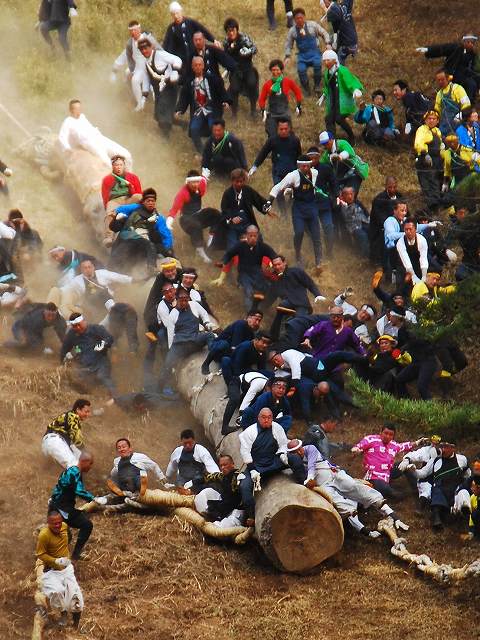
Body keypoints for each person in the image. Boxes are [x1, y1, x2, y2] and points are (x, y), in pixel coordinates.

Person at [291, 439, 408, 535]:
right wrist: (367, 532)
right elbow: (349, 512)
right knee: (339, 502)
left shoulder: (310, 448)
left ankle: (392, 514)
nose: (300, 453)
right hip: (325, 485)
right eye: (296, 452)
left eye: (299, 449)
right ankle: (366, 530)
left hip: (335, 475)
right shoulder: (297, 462)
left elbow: (311, 466)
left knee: (354, 487)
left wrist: (394, 517)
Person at [239, 408, 305, 523]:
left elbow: (283, 444)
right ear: (258, 418)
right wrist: (252, 469)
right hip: (257, 467)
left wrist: (282, 454)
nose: (266, 420)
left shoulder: (277, 428)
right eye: (264, 417)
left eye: (269, 417)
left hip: (274, 461)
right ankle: (252, 517)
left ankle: (303, 483)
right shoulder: (249, 432)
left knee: (295, 459)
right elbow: (245, 452)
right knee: (244, 486)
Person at [157, 288, 215, 397]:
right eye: (181, 300)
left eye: (186, 299)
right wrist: (171, 352)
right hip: (180, 345)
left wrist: (207, 323)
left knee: (210, 336)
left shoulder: (194, 305)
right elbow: (170, 335)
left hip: (195, 340)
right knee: (167, 365)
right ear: (177, 299)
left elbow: (203, 313)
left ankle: (214, 354)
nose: (184, 302)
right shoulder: (173, 314)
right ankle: (161, 388)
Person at [268, 155, 322, 270]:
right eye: (303, 166)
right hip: (298, 208)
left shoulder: (315, 173)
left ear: (310, 165)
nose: (305, 168)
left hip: (311, 206)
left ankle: (319, 263)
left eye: (307, 166)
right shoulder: (292, 176)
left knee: (316, 235)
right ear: (298, 166)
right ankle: (298, 255)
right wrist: (269, 201)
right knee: (299, 232)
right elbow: (277, 187)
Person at [48, 452, 105, 560]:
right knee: (86, 525)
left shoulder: (71, 470)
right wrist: (94, 499)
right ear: (84, 461)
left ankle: (60, 555)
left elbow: (59, 488)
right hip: (61, 509)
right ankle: (73, 556)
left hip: (57, 506)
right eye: (90, 463)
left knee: (67, 534)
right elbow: (79, 491)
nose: (91, 467)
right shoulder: (75, 472)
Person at [36, 512, 83, 628]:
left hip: (67, 570)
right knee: (57, 592)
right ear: (48, 523)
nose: (57, 525)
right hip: (52, 571)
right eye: (54, 524)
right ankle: (63, 614)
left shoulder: (64, 527)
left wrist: (66, 555)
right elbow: (40, 554)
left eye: (59, 522)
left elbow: (67, 539)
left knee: (76, 597)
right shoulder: (44, 535)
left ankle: (75, 625)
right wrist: (55, 560)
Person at [110, 188, 174, 274]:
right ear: (143, 202)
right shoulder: (133, 209)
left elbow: (165, 234)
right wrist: (116, 216)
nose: (150, 203)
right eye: (148, 201)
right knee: (115, 259)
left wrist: (167, 248)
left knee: (155, 246)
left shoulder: (158, 217)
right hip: (126, 239)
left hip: (143, 244)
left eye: (152, 201)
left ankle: (152, 268)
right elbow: (120, 210)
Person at [352, 424, 424, 500]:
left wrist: (417, 442)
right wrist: (356, 450)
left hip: (388, 472)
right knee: (388, 491)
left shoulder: (393, 444)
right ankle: (401, 496)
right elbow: (358, 446)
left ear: (393, 436)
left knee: (407, 464)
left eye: (391, 435)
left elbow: (404, 446)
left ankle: (418, 491)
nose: (387, 436)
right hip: (373, 477)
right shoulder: (371, 439)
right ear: (381, 432)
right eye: (385, 433)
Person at [214, 225, 277, 311]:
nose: (253, 238)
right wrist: (223, 261)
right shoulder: (240, 246)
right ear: (247, 235)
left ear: (257, 236)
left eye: (255, 236)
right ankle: (250, 313)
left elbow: (273, 255)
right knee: (248, 292)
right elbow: (229, 254)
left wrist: (275, 262)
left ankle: (262, 307)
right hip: (244, 274)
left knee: (267, 288)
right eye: (250, 236)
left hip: (258, 274)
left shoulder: (263, 247)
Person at [175, 57, 231, 153]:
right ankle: (202, 151)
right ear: (192, 67)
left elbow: (221, 91)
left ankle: (218, 149)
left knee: (214, 128)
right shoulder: (189, 82)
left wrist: (226, 101)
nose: (198, 67)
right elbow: (184, 97)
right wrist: (179, 109)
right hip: (198, 111)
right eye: (195, 65)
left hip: (211, 110)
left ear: (203, 66)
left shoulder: (212, 79)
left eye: (199, 65)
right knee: (193, 129)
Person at [58, 99, 132, 170]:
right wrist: (68, 149)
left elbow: (90, 128)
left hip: (100, 138)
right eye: (76, 109)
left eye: (80, 108)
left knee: (126, 155)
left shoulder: (82, 117)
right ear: (71, 110)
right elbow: (62, 137)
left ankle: (129, 175)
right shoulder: (68, 121)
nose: (79, 110)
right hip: (90, 144)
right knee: (107, 163)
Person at [249, 119, 302, 217]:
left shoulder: (295, 140)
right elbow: (263, 153)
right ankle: (284, 214)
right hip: (278, 172)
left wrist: (301, 170)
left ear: (289, 129)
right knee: (279, 191)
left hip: (292, 171)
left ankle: (291, 209)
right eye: (281, 129)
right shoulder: (272, 140)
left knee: (295, 192)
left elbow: (299, 156)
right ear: (277, 129)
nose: (284, 131)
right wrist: (255, 166)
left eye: (285, 129)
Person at [415, 440, 470, 530]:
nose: (443, 450)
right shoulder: (435, 460)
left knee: (463, 493)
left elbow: (468, 475)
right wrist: (413, 470)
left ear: (453, 448)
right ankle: (436, 519)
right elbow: (423, 473)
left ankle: (464, 522)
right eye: (442, 446)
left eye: (446, 447)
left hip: (455, 490)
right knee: (436, 489)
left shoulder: (462, 459)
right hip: (440, 490)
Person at [268, 255, 326, 339]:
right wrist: (258, 308)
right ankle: (273, 337)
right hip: (286, 305)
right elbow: (270, 298)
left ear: (284, 263)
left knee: (300, 323)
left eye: (279, 264)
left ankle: (304, 340)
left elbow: (309, 283)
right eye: (275, 265)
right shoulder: (275, 280)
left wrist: (317, 294)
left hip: (301, 304)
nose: (277, 267)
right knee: (280, 312)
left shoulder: (295, 271)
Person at [166, 171, 218, 263]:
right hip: (186, 219)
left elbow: (203, 180)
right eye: (193, 182)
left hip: (198, 214)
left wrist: (204, 176)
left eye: (197, 182)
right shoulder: (183, 193)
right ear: (188, 182)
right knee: (196, 225)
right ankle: (199, 250)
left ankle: (212, 238)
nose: (195, 184)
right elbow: (174, 208)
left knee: (216, 214)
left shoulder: (201, 185)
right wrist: (170, 219)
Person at [59, 258, 133, 321]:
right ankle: (114, 312)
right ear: (81, 270)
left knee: (104, 293)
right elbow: (66, 289)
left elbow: (117, 277)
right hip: (92, 306)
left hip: (108, 299)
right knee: (101, 293)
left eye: (89, 267)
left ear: (93, 267)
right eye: (85, 268)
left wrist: (132, 280)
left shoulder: (102, 273)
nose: (88, 269)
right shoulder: (77, 281)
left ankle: (114, 311)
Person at [110, 20, 161, 112]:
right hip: (139, 68)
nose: (133, 32)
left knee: (155, 86)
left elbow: (160, 50)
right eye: (131, 31)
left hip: (152, 66)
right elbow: (123, 56)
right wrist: (114, 71)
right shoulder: (130, 43)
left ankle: (158, 104)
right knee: (134, 79)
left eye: (135, 30)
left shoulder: (148, 39)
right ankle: (139, 104)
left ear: (139, 29)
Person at [60, 313, 116, 396]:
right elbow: (64, 349)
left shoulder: (96, 329)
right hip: (84, 366)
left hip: (100, 362)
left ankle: (115, 397)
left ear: (84, 321)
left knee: (102, 377)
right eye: (74, 326)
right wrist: (63, 360)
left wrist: (104, 343)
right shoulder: (71, 334)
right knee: (76, 379)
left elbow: (110, 338)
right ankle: (89, 396)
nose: (78, 328)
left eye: (79, 325)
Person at [137, 38, 183, 137]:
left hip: (169, 88)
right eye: (141, 49)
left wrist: (175, 72)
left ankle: (166, 138)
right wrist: (144, 97)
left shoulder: (160, 55)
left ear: (151, 47)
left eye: (146, 48)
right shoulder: (144, 62)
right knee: (158, 116)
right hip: (158, 91)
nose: (144, 51)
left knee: (163, 115)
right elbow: (146, 79)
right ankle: (184, 125)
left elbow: (177, 59)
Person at [416, 35, 480, 102]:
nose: (470, 44)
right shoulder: (456, 48)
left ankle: (470, 100)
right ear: (464, 42)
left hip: (464, 74)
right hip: (452, 74)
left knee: (475, 80)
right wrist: (428, 50)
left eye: (472, 43)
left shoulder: (472, 54)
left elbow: (472, 69)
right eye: (468, 42)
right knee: (471, 83)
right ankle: (467, 102)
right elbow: (442, 48)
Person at [220, 169, 273, 249]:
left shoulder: (248, 190)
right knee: (232, 246)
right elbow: (224, 209)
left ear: (244, 181)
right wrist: (231, 218)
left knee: (257, 239)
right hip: (233, 226)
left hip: (247, 223)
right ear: (232, 181)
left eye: (241, 181)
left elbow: (258, 200)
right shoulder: (227, 193)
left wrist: (266, 209)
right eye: (237, 181)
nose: (239, 184)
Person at [284, 7, 330, 96]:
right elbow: (288, 44)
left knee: (317, 65)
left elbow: (324, 33)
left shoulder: (312, 25)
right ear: (294, 20)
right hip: (302, 55)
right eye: (297, 18)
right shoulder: (292, 31)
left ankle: (317, 86)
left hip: (315, 53)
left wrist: (327, 43)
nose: (299, 20)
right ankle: (306, 88)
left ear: (304, 17)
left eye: (301, 18)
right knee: (301, 70)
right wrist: (287, 56)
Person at [201, 310, 263, 375]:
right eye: (256, 319)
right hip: (218, 347)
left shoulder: (251, 333)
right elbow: (235, 346)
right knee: (224, 344)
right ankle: (206, 364)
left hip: (227, 353)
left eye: (259, 321)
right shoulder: (241, 324)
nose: (257, 323)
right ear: (249, 317)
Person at [321, 49, 363, 144]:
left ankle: (351, 136)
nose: (326, 62)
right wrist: (324, 94)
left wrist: (355, 89)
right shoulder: (327, 73)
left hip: (342, 100)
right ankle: (332, 140)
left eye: (328, 60)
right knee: (329, 118)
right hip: (333, 99)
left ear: (334, 60)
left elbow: (350, 81)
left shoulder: (343, 71)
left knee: (339, 118)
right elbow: (327, 86)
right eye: (324, 60)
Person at [101, 156, 142, 248]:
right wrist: (107, 207)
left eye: (120, 165)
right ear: (113, 166)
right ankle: (109, 236)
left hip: (128, 198)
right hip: (115, 200)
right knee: (110, 212)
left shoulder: (133, 177)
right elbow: (105, 196)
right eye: (116, 165)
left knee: (139, 197)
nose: (118, 167)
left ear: (124, 166)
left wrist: (130, 187)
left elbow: (139, 192)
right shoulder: (107, 179)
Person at [193, 455, 244, 528]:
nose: (223, 467)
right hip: (223, 504)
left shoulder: (239, 477)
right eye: (221, 466)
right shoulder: (222, 476)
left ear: (232, 464)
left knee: (223, 527)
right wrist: (192, 482)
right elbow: (207, 478)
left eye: (225, 465)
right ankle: (209, 517)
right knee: (204, 493)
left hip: (236, 510)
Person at [223, 18, 259, 118]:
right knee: (234, 88)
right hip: (235, 70)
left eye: (233, 30)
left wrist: (248, 51)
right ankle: (234, 113)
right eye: (228, 31)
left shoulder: (244, 38)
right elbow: (225, 57)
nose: (231, 33)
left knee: (252, 84)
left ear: (236, 30)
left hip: (247, 68)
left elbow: (255, 49)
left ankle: (253, 110)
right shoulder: (226, 42)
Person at [163, 2, 215, 70]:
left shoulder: (190, 22)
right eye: (173, 14)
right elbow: (167, 45)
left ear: (181, 12)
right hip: (182, 61)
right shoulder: (171, 29)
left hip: (195, 56)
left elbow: (202, 30)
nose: (176, 16)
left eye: (177, 13)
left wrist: (213, 40)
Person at [258, 59, 302, 138]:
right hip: (272, 114)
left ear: (281, 70)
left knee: (288, 135)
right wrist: (263, 110)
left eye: (277, 70)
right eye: (273, 70)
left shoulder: (287, 82)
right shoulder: (267, 84)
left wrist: (298, 105)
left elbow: (297, 92)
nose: (275, 72)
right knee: (272, 135)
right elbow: (262, 99)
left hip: (284, 113)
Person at [41, 399, 91, 469]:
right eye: (86, 411)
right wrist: (84, 451)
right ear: (78, 410)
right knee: (74, 466)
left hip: (50, 443)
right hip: (55, 441)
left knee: (80, 463)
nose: (88, 414)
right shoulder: (73, 417)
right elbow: (76, 439)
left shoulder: (69, 416)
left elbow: (73, 443)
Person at [414, 110, 448, 212]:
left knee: (437, 182)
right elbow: (418, 143)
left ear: (437, 121)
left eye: (434, 119)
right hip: (425, 160)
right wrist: (425, 154)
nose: (431, 120)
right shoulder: (422, 130)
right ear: (425, 120)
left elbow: (441, 146)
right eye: (429, 118)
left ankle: (439, 204)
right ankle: (432, 206)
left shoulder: (437, 131)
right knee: (429, 184)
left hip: (437, 161)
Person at [318, 130, 368, 194]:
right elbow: (320, 164)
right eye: (323, 144)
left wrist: (340, 157)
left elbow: (349, 152)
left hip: (354, 173)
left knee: (350, 193)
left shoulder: (342, 143)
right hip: (341, 176)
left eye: (326, 143)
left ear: (332, 139)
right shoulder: (326, 154)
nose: (325, 145)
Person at [369, 177, 404, 266]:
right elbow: (379, 217)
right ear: (386, 187)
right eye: (390, 187)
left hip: (399, 224)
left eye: (394, 187)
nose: (392, 189)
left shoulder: (400, 196)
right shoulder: (379, 199)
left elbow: (406, 212)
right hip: (381, 227)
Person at [433, 69, 471, 135]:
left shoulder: (457, 88)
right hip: (444, 126)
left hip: (458, 124)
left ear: (448, 78)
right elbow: (437, 111)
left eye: (442, 79)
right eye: (438, 80)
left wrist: (458, 118)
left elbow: (467, 105)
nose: (440, 82)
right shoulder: (439, 94)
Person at [337, 186, 369, 257]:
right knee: (363, 236)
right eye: (347, 194)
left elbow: (366, 213)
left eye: (351, 194)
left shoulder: (358, 203)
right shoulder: (341, 206)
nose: (350, 196)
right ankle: (365, 257)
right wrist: (341, 201)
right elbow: (343, 219)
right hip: (354, 227)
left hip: (365, 222)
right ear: (343, 196)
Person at [322, 0, 358, 64]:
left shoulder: (332, 12)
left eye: (324, 2)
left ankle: (339, 68)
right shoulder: (344, 6)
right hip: (353, 42)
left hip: (346, 44)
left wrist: (330, 44)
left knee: (336, 63)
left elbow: (333, 32)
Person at [395, 217, 430, 284]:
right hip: (403, 266)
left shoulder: (422, 240)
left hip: (417, 264)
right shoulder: (400, 243)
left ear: (415, 229)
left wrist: (424, 275)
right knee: (402, 283)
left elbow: (423, 258)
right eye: (406, 229)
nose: (408, 232)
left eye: (410, 229)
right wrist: (413, 276)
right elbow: (406, 260)